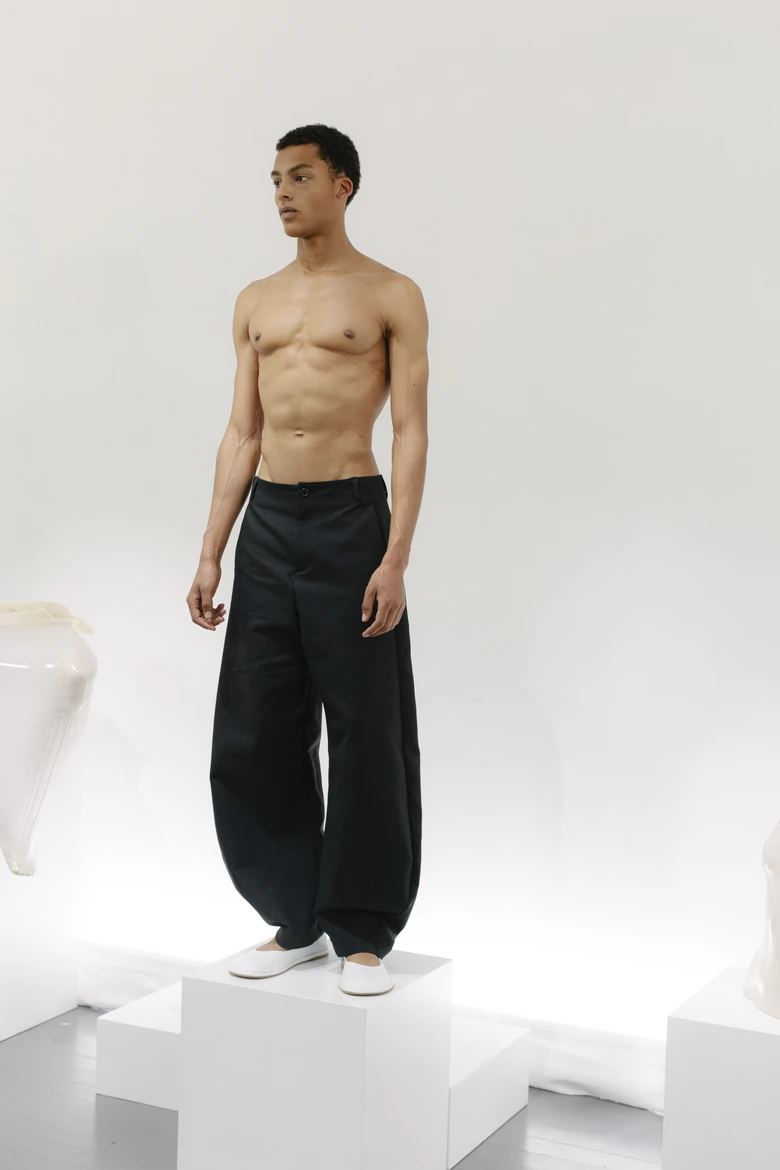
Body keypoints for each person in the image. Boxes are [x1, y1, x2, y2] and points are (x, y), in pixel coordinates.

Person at [186, 124, 429, 996]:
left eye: (300, 177)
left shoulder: (391, 293)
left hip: (349, 517)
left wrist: (395, 556)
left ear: (343, 185)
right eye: (275, 180)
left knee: (366, 727)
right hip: (269, 523)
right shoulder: (256, 300)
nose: (283, 193)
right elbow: (241, 430)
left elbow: (411, 430)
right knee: (257, 725)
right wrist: (211, 550)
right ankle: (295, 918)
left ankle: (361, 932)